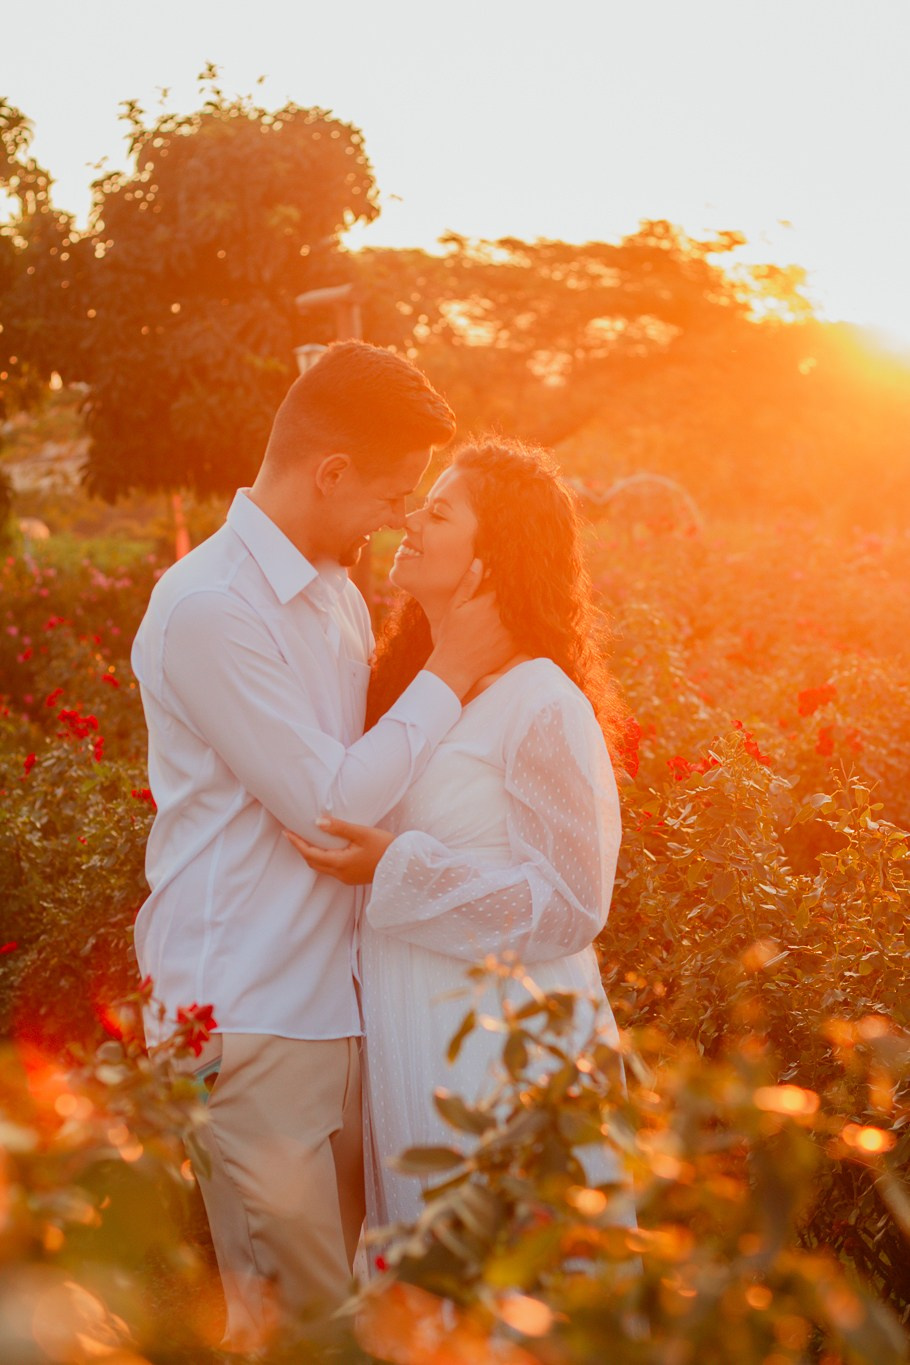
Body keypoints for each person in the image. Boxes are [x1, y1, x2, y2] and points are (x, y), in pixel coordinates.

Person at [130, 343, 513, 1347]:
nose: (398, 517)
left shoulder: (336, 594)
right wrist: (451, 665)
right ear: (329, 472)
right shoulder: (210, 606)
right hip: (249, 1013)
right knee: (290, 1327)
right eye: (391, 494)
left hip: (337, 1009)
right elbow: (329, 807)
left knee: (351, 1320)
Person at [286, 438, 629, 1232]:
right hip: (412, 1031)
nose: (410, 520)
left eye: (439, 511)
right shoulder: (413, 695)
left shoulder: (540, 701)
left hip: (504, 1046)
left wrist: (394, 867)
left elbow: (574, 903)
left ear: (494, 555)